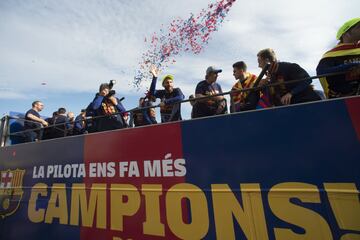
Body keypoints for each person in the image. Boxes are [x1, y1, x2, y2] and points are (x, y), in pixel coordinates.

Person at [316, 18, 360, 98]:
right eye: (359, 27)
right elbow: (321, 72)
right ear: (346, 33)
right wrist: (350, 66)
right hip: (341, 99)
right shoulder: (331, 55)